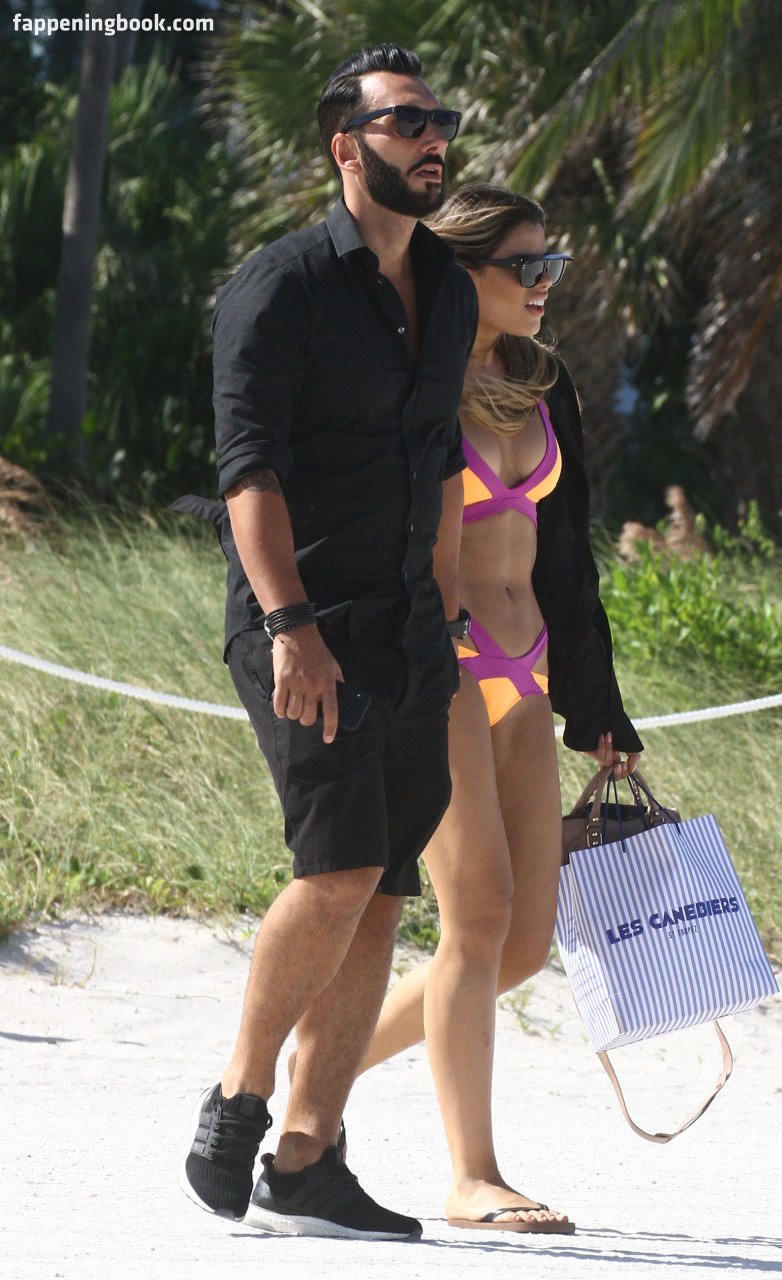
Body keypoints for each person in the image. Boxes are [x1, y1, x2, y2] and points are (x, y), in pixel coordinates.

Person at [176, 45, 477, 1241]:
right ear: (345, 147)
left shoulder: (446, 287)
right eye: (406, 120)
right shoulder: (281, 285)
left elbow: (439, 461)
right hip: (304, 621)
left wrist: (444, 613)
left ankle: (306, 1155)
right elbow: (248, 470)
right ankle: (238, 1099)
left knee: (385, 883)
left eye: (439, 118)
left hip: (408, 628)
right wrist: (290, 626)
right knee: (339, 863)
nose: (432, 136)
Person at [354, 182, 644, 1234]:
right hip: (446, 668)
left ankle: (316, 1071)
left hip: (529, 671)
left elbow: (568, 558)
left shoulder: (541, 385)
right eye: (524, 265)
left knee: (521, 942)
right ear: (461, 271)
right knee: (474, 918)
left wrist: (598, 707)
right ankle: (472, 1177)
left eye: (550, 264)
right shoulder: (413, 385)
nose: (543, 282)